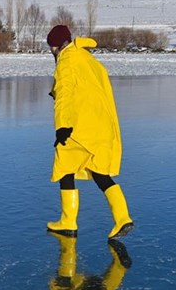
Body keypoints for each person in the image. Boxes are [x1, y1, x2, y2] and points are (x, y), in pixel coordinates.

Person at [45, 25, 134, 239]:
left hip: (78, 128)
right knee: (99, 172)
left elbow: (65, 94)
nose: (51, 51)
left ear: (56, 46)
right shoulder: (87, 58)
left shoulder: (66, 62)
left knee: (65, 168)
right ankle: (122, 218)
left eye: (51, 47)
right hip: (102, 125)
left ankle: (68, 221)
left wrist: (62, 126)